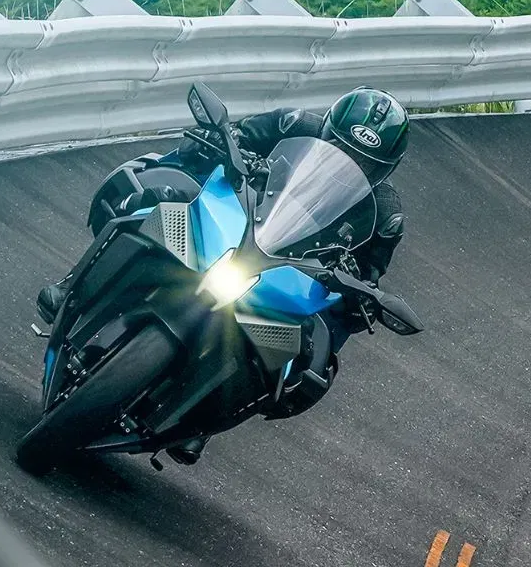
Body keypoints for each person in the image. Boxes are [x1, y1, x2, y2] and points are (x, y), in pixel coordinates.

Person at [33, 86, 411, 462]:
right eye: (341, 146)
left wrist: (363, 299)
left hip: (295, 266)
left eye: (365, 163)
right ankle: (72, 285)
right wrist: (219, 143)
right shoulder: (292, 124)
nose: (349, 161)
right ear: (328, 130)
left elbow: (368, 276)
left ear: (385, 169)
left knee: (316, 340)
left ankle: (202, 422)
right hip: (240, 213)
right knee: (163, 190)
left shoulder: (385, 214)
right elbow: (235, 135)